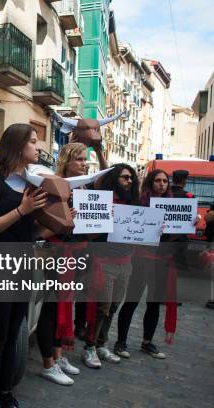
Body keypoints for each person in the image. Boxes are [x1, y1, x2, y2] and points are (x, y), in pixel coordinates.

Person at [0, 123, 47, 408]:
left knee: (14, 331)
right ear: (17, 146)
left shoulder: (33, 183)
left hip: (24, 263)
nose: (37, 146)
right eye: (32, 141)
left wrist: (64, 221)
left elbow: (33, 232)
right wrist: (22, 210)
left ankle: (6, 393)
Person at [34, 143, 87, 386]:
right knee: (52, 308)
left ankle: (58, 355)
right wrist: (65, 220)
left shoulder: (84, 188)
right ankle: (48, 363)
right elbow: (40, 229)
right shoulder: (53, 187)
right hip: (55, 253)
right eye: (79, 160)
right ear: (66, 161)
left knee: (64, 305)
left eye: (85, 160)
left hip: (75, 253)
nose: (84, 164)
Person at [115, 169, 181, 360]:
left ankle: (147, 341)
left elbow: (177, 235)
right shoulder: (140, 202)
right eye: (158, 180)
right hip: (142, 258)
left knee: (154, 304)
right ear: (151, 182)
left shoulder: (173, 207)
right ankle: (121, 342)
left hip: (162, 261)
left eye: (165, 181)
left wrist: (187, 224)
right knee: (132, 300)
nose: (162, 184)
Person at [82, 164, 140, 369]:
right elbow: (87, 233)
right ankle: (89, 347)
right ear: (115, 178)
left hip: (126, 262)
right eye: (125, 177)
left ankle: (101, 344)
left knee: (114, 306)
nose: (130, 181)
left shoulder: (132, 203)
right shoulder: (101, 200)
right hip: (103, 262)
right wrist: (106, 221)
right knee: (102, 307)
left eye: (131, 177)